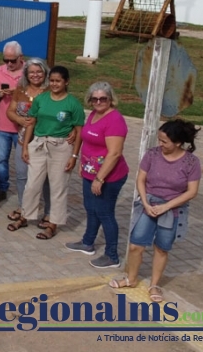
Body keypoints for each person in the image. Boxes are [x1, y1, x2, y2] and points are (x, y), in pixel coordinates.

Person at [109, 120, 201, 303]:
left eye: (164, 141)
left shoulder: (191, 162)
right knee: (136, 245)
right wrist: (145, 202)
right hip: (149, 204)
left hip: (172, 210)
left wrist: (166, 206)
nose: (160, 144)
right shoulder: (152, 155)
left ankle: (154, 284)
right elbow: (141, 180)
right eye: (159, 140)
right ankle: (132, 278)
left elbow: (192, 191)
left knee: (161, 248)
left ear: (177, 142)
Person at [11, 66, 84, 241]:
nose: (55, 84)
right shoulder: (41, 98)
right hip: (39, 144)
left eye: (58, 81)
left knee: (58, 186)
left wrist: (74, 156)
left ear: (66, 82)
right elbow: (31, 122)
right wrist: (26, 146)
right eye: (52, 80)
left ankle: (53, 223)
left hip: (61, 147)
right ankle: (25, 216)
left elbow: (79, 130)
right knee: (32, 184)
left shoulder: (73, 103)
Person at [66, 82, 129, 269]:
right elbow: (88, 139)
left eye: (103, 98)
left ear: (111, 99)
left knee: (104, 213)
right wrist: (82, 164)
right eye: (95, 99)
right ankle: (87, 242)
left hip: (109, 176)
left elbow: (115, 153)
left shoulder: (115, 120)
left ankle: (112, 255)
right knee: (90, 208)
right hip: (89, 172)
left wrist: (100, 178)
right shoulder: (94, 114)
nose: (99, 102)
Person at [6, 59, 52, 226]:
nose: (35, 75)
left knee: (46, 178)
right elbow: (10, 111)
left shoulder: (50, 91)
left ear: (45, 73)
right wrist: (20, 119)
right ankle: (23, 207)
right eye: (32, 72)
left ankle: (48, 212)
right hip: (22, 139)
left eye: (39, 72)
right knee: (21, 175)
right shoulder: (20, 90)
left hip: (44, 142)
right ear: (26, 74)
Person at [0, 41, 24, 204]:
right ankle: (2, 188)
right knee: (1, 159)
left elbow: (35, 96)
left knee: (23, 161)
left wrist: (17, 94)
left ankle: (25, 192)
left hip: (22, 126)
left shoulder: (28, 72)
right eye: (6, 60)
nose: (9, 64)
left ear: (20, 58)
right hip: (3, 125)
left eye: (13, 60)